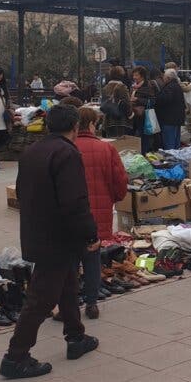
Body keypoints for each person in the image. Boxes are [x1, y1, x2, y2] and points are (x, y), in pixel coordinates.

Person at [0, 104, 99, 379]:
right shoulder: (67, 153)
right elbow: (75, 201)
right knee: (41, 298)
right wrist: (90, 233)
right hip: (58, 236)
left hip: (38, 231)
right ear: (75, 127)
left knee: (68, 284)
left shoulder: (33, 150)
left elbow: (21, 191)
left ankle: (75, 337)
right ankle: (15, 356)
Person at [74, 106, 128, 318]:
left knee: (70, 258)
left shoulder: (67, 146)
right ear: (91, 124)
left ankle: (68, 301)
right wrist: (112, 198)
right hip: (98, 211)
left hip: (70, 213)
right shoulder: (106, 149)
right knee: (92, 256)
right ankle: (91, 302)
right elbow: (120, 181)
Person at [130, 66, 159, 154]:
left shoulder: (148, 86)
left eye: (136, 75)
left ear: (142, 76)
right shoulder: (134, 87)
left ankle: (144, 153)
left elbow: (153, 100)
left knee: (145, 136)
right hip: (134, 115)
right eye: (133, 75)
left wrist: (137, 100)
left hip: (144, 116)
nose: (134, 77)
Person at [156, 69, 186, 150]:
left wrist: (156, 98)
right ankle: (176, 161)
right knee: (176, 144)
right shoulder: (177, 86)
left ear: (168, 78)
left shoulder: (169, 87)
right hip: (177, 119)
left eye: (164, 77)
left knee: (169, 145)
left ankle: (171, 161)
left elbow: (164, 99)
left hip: (169, 120)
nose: (163, 79)